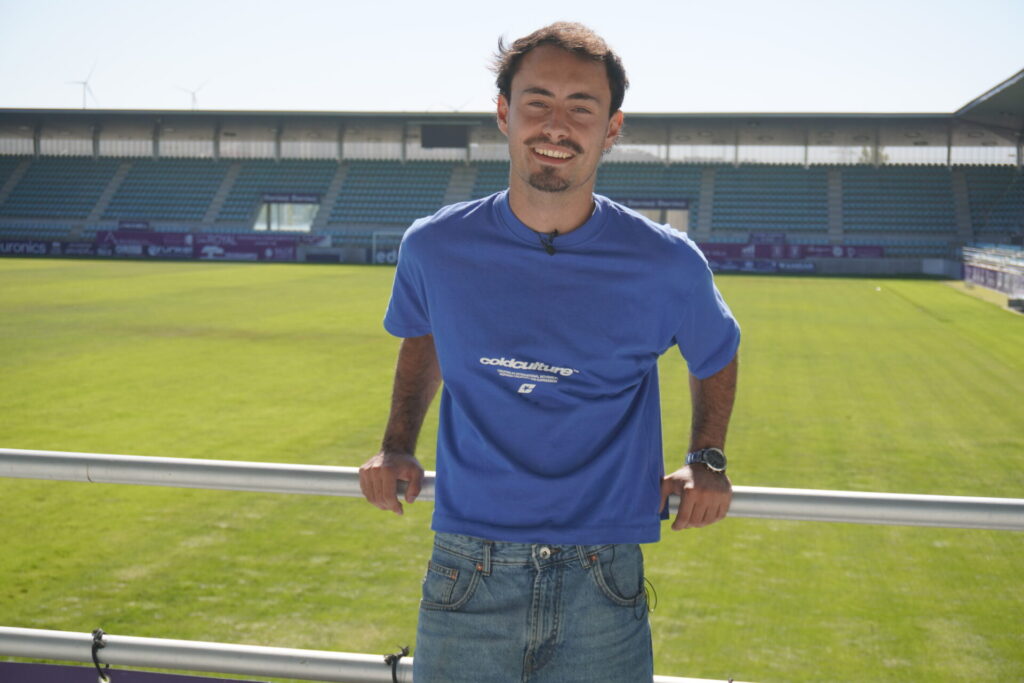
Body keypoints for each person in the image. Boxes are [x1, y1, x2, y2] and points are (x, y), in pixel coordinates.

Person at [359, 21, 740, 682]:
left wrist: (705, 456)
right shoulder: (432, 247)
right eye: (537, 102)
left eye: (581, 107)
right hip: (467, 570)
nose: (556, 125)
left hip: (605, 573)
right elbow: (424, 334)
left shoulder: (667, 262)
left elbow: (716, 352)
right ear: (505, 113)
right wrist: (397, 443)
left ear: (612, 127)